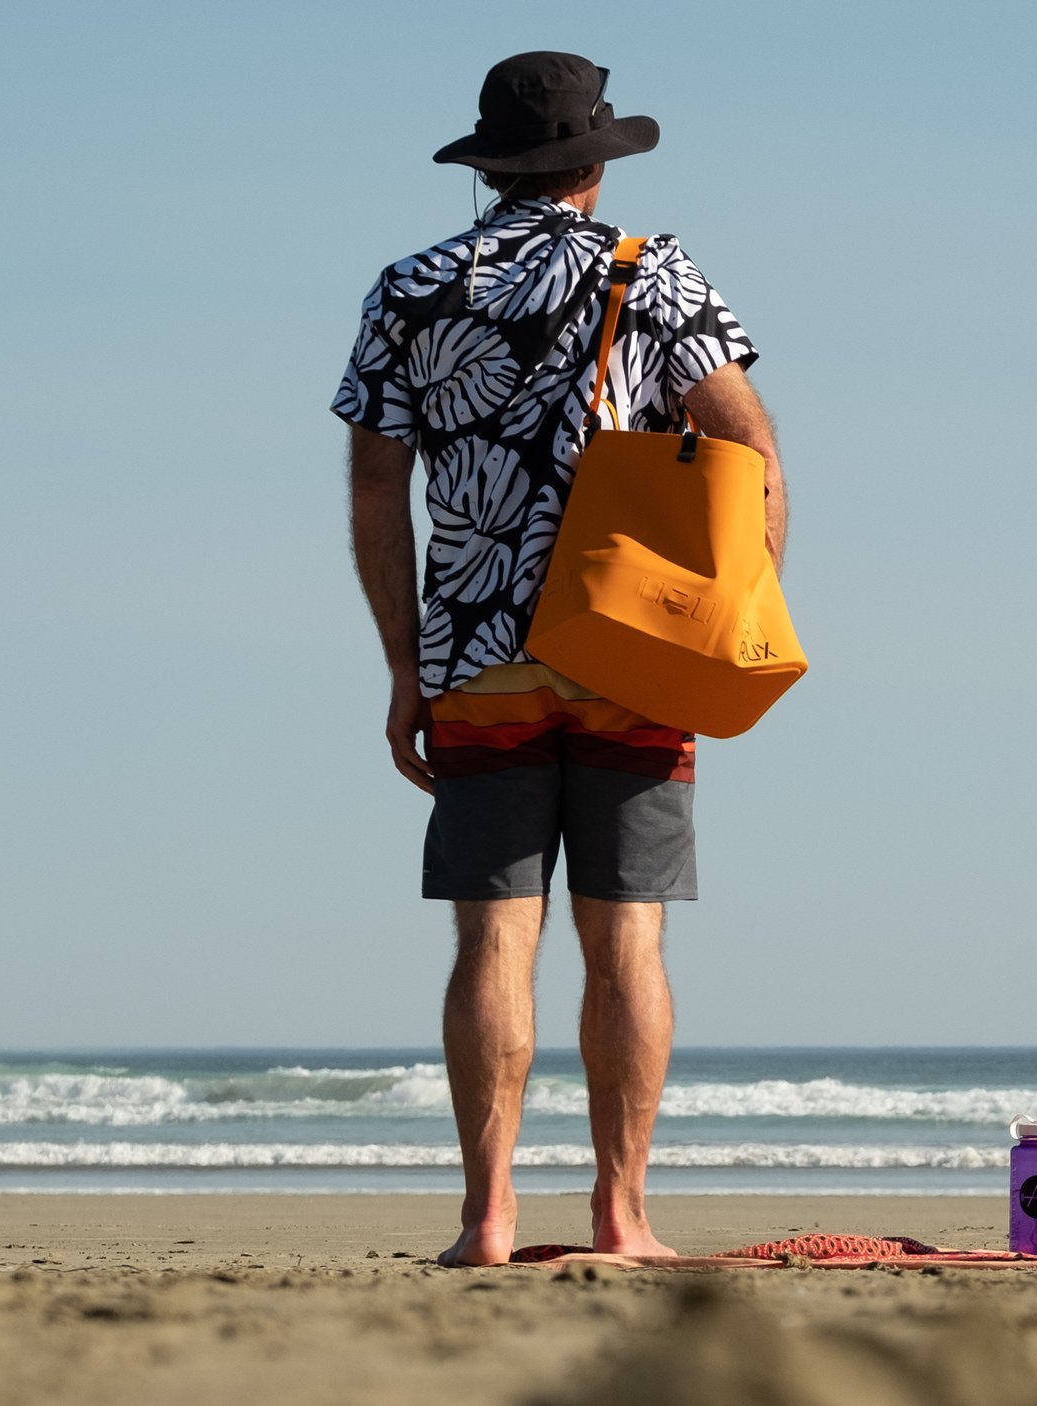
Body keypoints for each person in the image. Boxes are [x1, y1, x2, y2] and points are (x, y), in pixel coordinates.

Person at [332, 52, 785, 1266]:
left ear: (489, 167)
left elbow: (377, 487)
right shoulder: (653, 272)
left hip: (477, 649)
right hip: (634, 649)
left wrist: (405, 667)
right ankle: (620, 1214)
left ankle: (486, 1218)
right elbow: (747, 452)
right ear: (595, 163)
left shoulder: (412, 286)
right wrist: (735, 623)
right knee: (627, 935)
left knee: (492, 939)